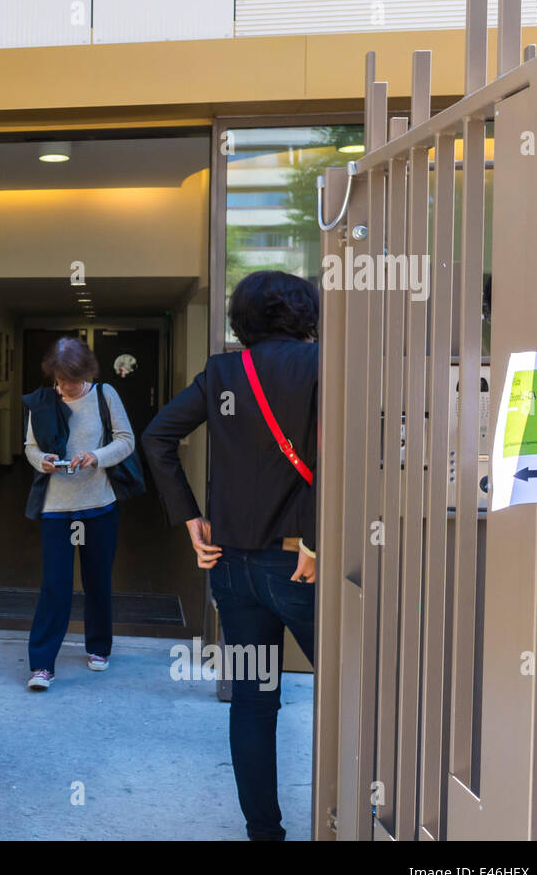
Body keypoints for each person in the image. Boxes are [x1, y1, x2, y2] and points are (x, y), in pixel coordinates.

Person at [141, 270, 318, 841]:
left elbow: (157, 436)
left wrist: (191, 518)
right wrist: (313, 535)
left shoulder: (222, 372)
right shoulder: (322, 368)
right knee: (354, 692)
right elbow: (342, 458)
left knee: (252, 703)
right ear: (305, 313)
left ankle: (263, 833)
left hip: (231, 568)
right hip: (300, 564)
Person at [21, 336, 135, 690]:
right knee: (55, 585)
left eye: (71, 381)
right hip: (57, 508)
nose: (66, 388)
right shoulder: (41, 402)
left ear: (86, 372)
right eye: (60, 380)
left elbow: (126, 440)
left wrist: (96, 456)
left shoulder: (105, 395)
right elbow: (30, 447)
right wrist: (44, 461)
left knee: (97, 580)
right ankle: (41, 665)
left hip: (99, 505)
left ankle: (99, 647)